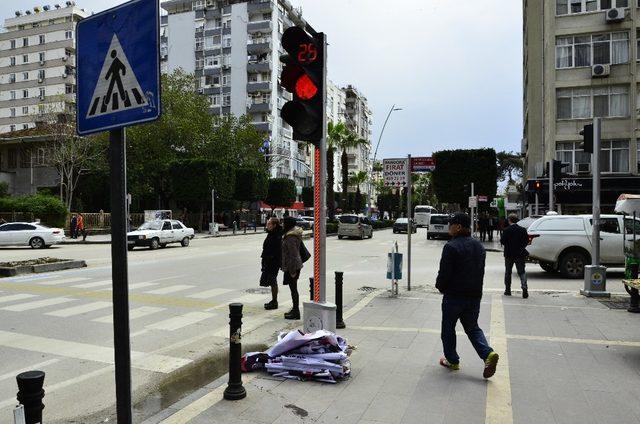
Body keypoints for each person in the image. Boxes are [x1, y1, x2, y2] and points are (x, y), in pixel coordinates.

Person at [435, 212, 499, 379]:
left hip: (454, 296)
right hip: (474, 295)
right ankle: (487, 354)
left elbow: (444, 273)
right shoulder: (478, 246)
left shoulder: (451, 246)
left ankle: (452, 360)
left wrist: (440, 287)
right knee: (472, 327)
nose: (449, 227)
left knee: (448, 328)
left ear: (458, 226)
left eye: (451, 224)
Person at [500, 213, 529, 298]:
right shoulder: (523, 230)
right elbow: (526, 241)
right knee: (522, 272)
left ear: (509, 220)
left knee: (508, 272)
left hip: (509, 254)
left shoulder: (506, 230)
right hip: (520, 254)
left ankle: (508, 290)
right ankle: (524, 288)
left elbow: (502, 241)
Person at [281, 216, 303, 320]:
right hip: (293, 265)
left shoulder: (290, 237)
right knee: (293, 289)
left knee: (293, 289)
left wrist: (292, 270)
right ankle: (295, 309)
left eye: (284, 223)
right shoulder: (292, 234)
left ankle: (296, 312)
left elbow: (293, 254)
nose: (282, 224)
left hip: (292, 266)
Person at [261, 218, 283, 310]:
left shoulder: (277, 236)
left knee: (273, 280)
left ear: (274, 225)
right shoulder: (271, 234)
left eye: (269, 224)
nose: (267, 225)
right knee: (271, 280)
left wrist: (270, 259)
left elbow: (276, 250)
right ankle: (274, 300)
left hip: (273, 262)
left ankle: (274, 301)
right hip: (269, 261)